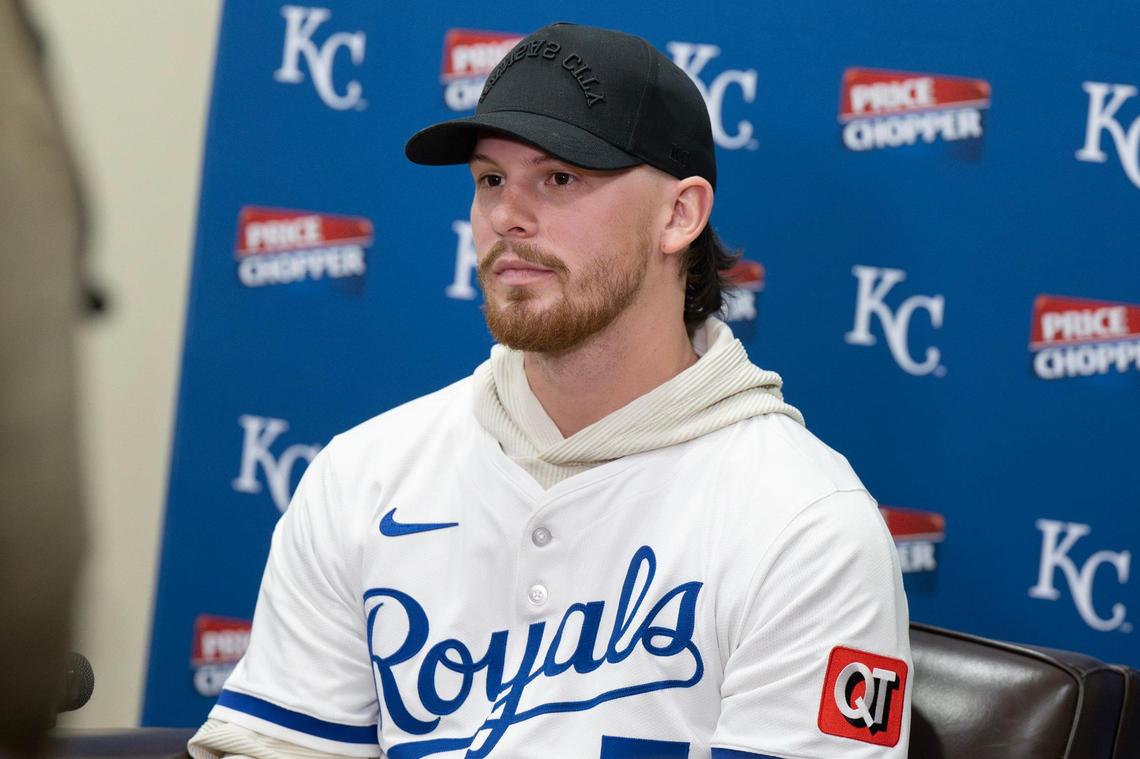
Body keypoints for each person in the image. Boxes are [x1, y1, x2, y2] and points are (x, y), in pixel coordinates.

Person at [189, 22, 910, 759]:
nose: (507, 216)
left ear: (679, 215)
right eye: (490, 180)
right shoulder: (362, 475)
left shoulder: (808, 524)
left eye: (559, 178)